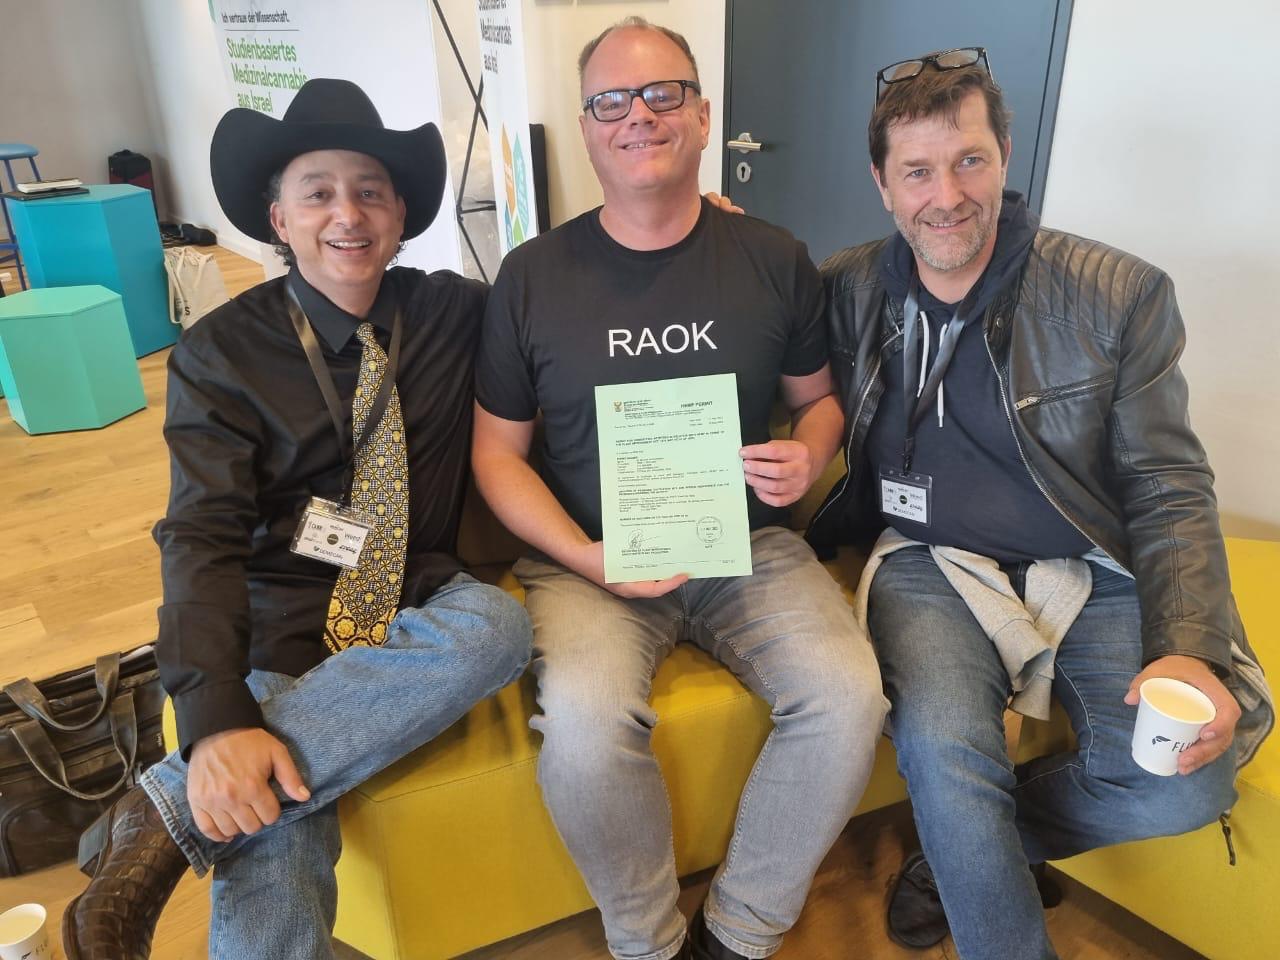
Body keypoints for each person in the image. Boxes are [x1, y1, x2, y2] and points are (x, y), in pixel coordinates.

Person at [807, 48, 1274, 959]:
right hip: (930, 561)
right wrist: (715, 244)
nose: (947, 195)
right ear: (882, 183)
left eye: (969, 160)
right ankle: (972, 853)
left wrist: (1188, 646)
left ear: (1006, 157)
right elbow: (748, 319)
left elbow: (1168, 482)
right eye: (917, 171)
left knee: (1185, 783)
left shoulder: (1116, 295)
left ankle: (961, 853)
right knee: (946, 748)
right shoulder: (848, 287)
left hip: (1087, 559)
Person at [60, 79, 532, 960]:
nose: (347, 214)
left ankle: (161, 812)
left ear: (400, 214)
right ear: (278, 218)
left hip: (415, 594)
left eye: (370, 191)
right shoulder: (220, 353)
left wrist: (687, 234)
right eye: (318, 193)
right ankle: (201, 789)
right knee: (274, 819)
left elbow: (570, 299)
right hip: (281, 610)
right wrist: (217, 719)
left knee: (497, 626)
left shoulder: (453, 311)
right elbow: (199, 535)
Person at [471, 18, 887, 960]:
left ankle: (735, 936)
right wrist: (585, 556)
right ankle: (648, 945)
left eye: (664, 94)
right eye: (611, 101)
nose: (639, 116)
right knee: (584, 730)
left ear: (702, 117)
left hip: (748, 547)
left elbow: (818, 402)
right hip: (587, 561)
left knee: (849, 695)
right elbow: (497, 455)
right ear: (587, 128)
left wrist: (809, 451)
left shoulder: (773, 257)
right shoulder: (531, 277)